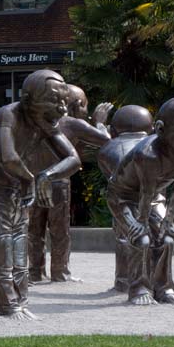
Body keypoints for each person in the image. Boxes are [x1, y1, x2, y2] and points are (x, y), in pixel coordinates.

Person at [0, 70, 80, 319]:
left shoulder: (45, 123)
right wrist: (32, 179)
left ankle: (21, 303)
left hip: (20, 188)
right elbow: (8, 157)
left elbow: (74, 159)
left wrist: (46, 176)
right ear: (28, 99)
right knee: (2, 246)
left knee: (20, 246)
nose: (62, 110)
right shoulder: (8, 115)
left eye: (64, 102)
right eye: (55, 101)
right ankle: (8, 305)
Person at [107, 96, 174, 305]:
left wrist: (168, 221)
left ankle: (164, 290)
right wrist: (141, 223)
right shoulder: (148, 154)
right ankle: (139, 289)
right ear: (161, 129)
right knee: (141, 239)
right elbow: (144, 192)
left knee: (168, 240)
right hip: (123, 198)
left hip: (152, 198)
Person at [28, 84, 112, 284]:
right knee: (60, 231)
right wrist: (99, 122)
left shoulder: (35, 121)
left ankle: (35, 272)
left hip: (33, 180)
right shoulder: (72, 123)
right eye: (85, 106)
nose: (86, 111)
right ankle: (60, 271)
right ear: (76, 105)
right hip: (58, 182)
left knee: (34, 230)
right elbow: (106, 139)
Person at [97, 104, 153, 291]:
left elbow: (111, 173)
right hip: (154, 199)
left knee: (125, 237)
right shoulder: (157, 147)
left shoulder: (108, 149)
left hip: (122, 200)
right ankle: (154, 283)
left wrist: (99, 125)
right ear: (152, 128)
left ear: (114, 130)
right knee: (158, 238)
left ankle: (123, 281)